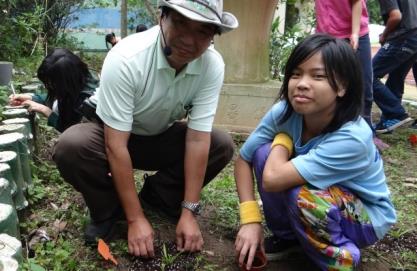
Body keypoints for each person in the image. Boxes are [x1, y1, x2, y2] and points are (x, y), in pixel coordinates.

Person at [52, 0, 238, 258]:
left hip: (157, 133)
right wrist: (135, 220)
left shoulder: (211, 65)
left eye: (203, 31)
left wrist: (189, 211)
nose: (189, 39)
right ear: (163, 18)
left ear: (213, 37)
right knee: (72, 146)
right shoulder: (127, 57)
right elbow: (115, 145)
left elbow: (197, 140)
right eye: (181, 23)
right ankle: (109, 209)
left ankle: (160, 197)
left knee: (220, 143)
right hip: (110, 133)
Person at [234, 34, 396, 271]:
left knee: (300, 193)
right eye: (296, 74)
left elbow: (272, 179)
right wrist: (250, 220)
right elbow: (243, 160)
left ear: (342, 86)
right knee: (262, 153)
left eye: (318, 76)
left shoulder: (352, 136)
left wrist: (281, 140)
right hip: (322, 197)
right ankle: (288, 238)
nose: (301, 83)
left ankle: (343, 258)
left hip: (365, 217)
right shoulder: (285, 112)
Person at [314, 0, 389, 150]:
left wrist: (354, 34)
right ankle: (329, 134)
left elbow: (357, 3)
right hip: (326, 35)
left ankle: (367, 135)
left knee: (363, 87)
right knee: (330, 86)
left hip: (355, 33)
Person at [9, 48, 99, 132]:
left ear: (64, 81)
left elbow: (69, 129)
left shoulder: (88, 101)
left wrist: (45, 110)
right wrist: (31, 98)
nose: (48, 86)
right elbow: (56, 100)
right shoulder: (78, 82)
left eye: (51, 83)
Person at [372, 0, 417, 134]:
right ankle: (388, 123)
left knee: (367, 75)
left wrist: (384, 34)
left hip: (403, 37)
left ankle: (396, 113)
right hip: (414, 39)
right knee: (396, 78)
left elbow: (395, 16)